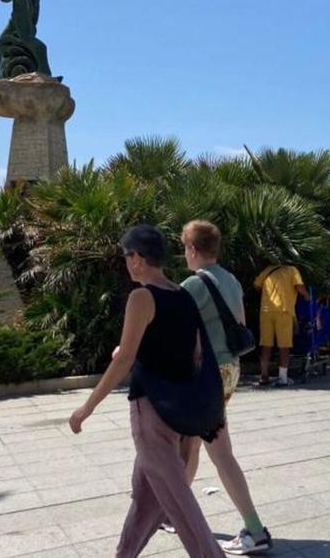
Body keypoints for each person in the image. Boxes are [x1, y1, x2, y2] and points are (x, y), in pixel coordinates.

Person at [68, 225, 224, 558]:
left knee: (179, 504)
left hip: (150, 413)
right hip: (179, 412)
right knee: (145, 499)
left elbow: (124, 358)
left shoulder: (142, 297)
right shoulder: (183, 296)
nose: (127, 263)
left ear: (137, 258)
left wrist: (86, 409)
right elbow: (193, 354)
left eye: (127, 256)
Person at [177, 220, 273, 555]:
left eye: (183, 247)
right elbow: (241, 325)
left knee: (219, 452)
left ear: (192, 249)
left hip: (207, 374)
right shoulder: (230, 279)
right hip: (230, 370)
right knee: (190, 443)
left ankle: (256, 530)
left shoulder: (192, 285)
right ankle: (175, 512)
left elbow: (173, 335)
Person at [254, 263, 308, 386]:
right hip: (284, 311)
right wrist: (306, 295)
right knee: (284, 346)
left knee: (266, 345)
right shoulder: (292, 270)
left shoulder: (267, 269)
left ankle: (264, 376)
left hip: (266, 311)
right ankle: (283, 378)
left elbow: (257, 286)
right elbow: (299, 287)